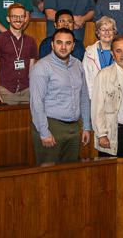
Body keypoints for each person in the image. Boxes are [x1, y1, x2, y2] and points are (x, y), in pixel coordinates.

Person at [29, 27, 91, 163]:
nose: (63, 47)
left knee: (69, 174)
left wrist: (86, 126)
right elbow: (36, 102)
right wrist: (44, 132)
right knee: (48, 176)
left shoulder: (78, 65)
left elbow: (84, 97)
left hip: (74, 128)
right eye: (59, 42)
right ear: (52, 44)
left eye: (68, 43)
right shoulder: (42, 67)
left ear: (73, 46)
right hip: (51, 127)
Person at [90, 36, 123, 158]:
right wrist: (101, 134)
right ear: (112, 54)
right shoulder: (104, 75)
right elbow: (97, 107)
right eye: (118, 51)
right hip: (113, 132)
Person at [0, 4, 37, 105]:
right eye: (14, 16)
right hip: (6, 92)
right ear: (8, 19)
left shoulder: (31, 41)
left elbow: (31, 70)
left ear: (25, 19)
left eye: (21, 16)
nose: (18, 19)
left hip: (26, 92)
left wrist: (34, 92)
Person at [83, 17, 119, 91]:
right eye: (103, 30)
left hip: (117, 94)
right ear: (98, 32)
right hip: (96, 94)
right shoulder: (89, 52)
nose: (107, 32)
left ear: (114, 32)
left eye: (110, 29)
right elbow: (86, 78)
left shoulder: (120, 51)